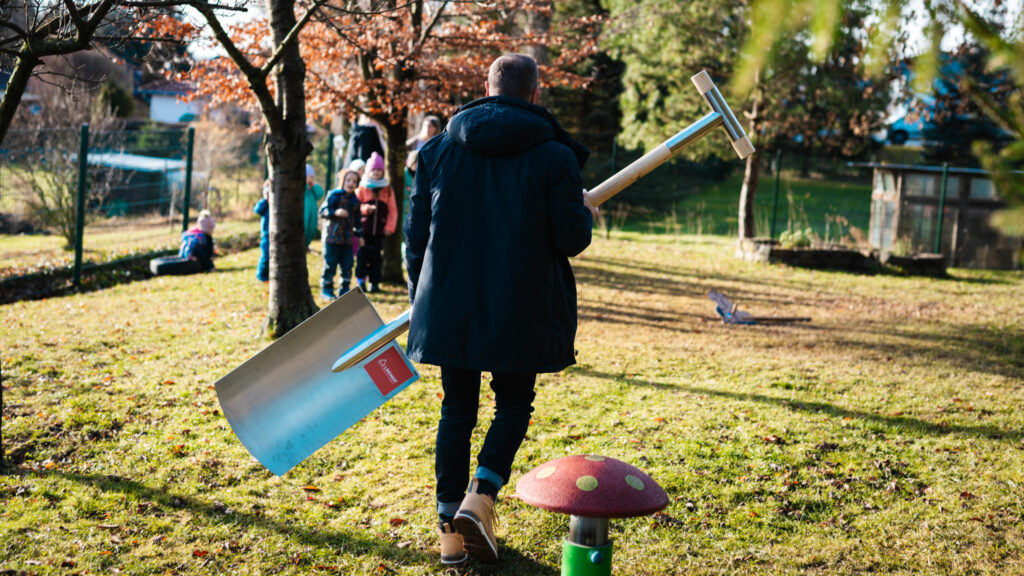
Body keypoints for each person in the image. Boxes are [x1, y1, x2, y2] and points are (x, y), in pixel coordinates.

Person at [404, 53, 597, 565]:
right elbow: (570, 238)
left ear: (485, 88)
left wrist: (418, 296)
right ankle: (482, 495)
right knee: (513, 403)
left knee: (457, 407)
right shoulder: (555, 156)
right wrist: (584, 212)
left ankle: (450, 531)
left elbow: (416, 235)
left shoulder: (438, 150)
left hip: (453, 303)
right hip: (522, 305)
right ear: (535, 93)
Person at [355, 152, 397, 293]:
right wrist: (366, 209)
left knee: (376, 257)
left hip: (379, 230)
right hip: (364, 230)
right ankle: (360, 281)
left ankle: (374, 282)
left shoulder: (387, 189)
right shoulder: (361, 188)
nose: (377, 172)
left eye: (379, 170)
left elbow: (393, 210)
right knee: (362, 256)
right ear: (368, 171)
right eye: (374, 169)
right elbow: (355, 207)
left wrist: (389, 227)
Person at [318, 169, 361, 299]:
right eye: (348, 180)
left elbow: (358, 221)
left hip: (347, 239)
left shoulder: (355, 201)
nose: (351, 183)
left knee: (347, 265)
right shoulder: (334, 195)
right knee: (330, 264)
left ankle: (344, 291)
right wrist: (335, 212)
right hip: (332, 238)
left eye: (354, 181)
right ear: (342, 181)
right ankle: (327, 290)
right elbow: (323, 211)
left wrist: (360, 236)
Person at [304, 164, 325, 247]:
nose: (310, 179)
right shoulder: (303, 190)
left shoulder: (312, 190)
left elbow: (320, 194)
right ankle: (302, 245)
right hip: (304, 216)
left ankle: (307, 244)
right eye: (308, 177)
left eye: (312, 177)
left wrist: (314, 185)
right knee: (304, 228)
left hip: (312, 216)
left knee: (311, 229)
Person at [254, 180, 270, 282]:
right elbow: (257, 210)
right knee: (265, 256)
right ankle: (261, 275)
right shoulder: (264, 205)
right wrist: (265, 199)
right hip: (266, 235)